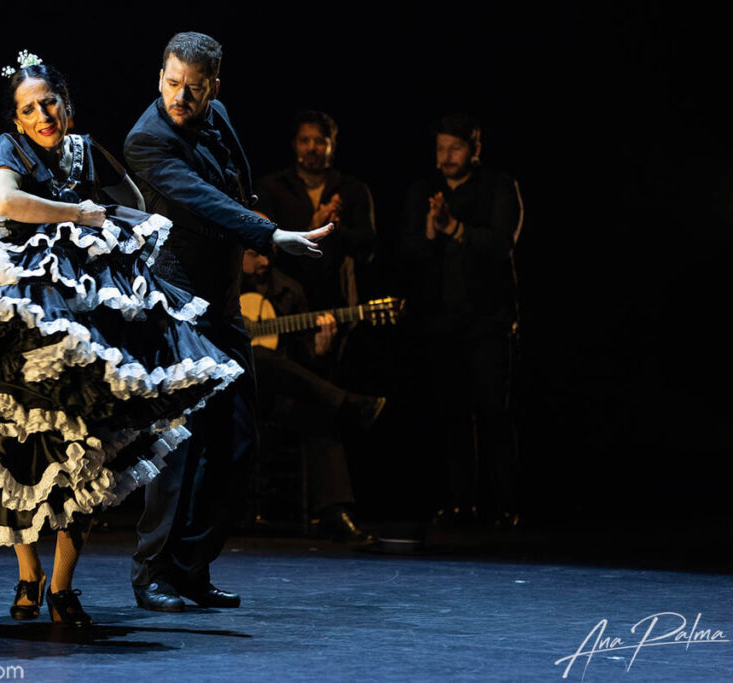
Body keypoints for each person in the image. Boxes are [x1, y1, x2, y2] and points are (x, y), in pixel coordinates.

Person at [0, 51, 243, 627]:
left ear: (67, 104)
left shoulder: (86, 149)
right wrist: (81, 215)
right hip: (19, 309)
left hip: (82, 315)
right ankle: (28, 572)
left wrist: (113, 233)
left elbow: (136, 208)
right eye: (29, 109)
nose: (42, 114)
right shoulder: (9, 149)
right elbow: (5, 201)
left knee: (85, 446)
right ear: (16, 120)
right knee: (14, 441)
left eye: (50, 103)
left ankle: (63, 585)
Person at [124, 32, 331, 612]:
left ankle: (191, 567)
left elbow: (234, 183)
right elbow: (200, 200)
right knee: (181, 446)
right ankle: (152, 573)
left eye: (194, 88)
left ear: (215, 86)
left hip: (222, 300)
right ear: (159, 75)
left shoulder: (220, 115)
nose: (181, 97)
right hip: (176, 301)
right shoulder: (146, 139)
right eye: (171, 84)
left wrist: (254, 230)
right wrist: (268, 233)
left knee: (237, 441)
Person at [397, 113, 523, 528]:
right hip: (439, 321)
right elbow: (408, 253)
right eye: (441, 148)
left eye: (455, 148)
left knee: (492, 412)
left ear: (475, 150)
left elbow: (501, 244)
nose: (446, 156)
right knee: (450, 414)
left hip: (488, 319)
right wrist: (433, 233)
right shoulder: (423, 192)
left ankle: (503, 506)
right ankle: (459, 504)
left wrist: (455, 227)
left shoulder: (498, 187)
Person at [241, 247, 384, 542]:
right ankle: (351, 403)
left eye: (269, 253)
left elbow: (307, 364)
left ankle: (334, 512)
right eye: (255, 253)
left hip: (278, 397)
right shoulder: (221, 290)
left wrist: (320, 350)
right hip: (233, 398)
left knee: (319, 409)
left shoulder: (290, 291)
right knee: (258, 355)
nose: (265, 261)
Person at [256, 110, 377, 318]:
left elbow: (368, 250)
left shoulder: (353, 189)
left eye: (320, 141)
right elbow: (263, 247)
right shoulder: (271, 188)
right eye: (305, 140)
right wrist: (311, 228)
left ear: (332, 145)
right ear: (294, 144)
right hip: (284, 306)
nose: (312, 148)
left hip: (337, 303)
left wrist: (335, 228)